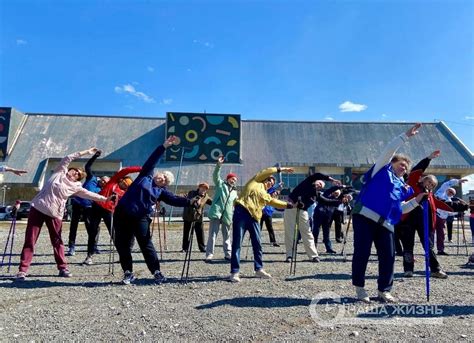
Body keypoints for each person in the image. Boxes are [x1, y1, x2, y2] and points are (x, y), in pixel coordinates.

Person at [351, 123, 427, 303]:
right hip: (364, 216)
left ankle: (384, 290)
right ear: (392, 162)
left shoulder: (403, 187)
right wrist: (405, 136)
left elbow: (402, 209)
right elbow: (389, 149)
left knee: (389, 255)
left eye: (406, 167)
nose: (404, 168)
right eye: (401, 164)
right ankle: (360, 288)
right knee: (362, 252)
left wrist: (417, 200)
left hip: (386, 223)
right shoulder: (381, 170)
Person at [16, 148, 113, 280]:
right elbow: (68, 157)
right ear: (70, 169)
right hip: (37, 208)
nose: (75, 174)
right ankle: (23, 270)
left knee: (57, 241)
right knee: (30, 240)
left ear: (78, 178)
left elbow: (89, 195)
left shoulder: (76, 187)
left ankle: (62, 268)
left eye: (78, 175)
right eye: (74, 171)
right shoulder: (59, 172)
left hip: (55, 214)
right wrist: (87, 152)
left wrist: (105, 199)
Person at [113, 136, 199, 285]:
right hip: (122, 214)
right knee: (123, 245)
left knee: (146, 244)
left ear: (165, 185)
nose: (162, 179)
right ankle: (128, 273)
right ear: (158, 173)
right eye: (163, 176)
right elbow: (152, 160)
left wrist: (190, 202)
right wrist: (164, 146)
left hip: (141, 217)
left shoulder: (161, 192)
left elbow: (175, 199)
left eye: (166, 180)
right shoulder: (145, 176)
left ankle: (156, 272)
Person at [229, 166, 294, 283]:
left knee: (257, 244)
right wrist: (282, 169)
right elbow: (268, 171)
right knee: (237, 243)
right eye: (269, 180)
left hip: (254, 217)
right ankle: (235, 271)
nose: (270, 183)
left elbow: (274, 202)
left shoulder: (266, 194)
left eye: (272, 183)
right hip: (241, 212)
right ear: (264, 179)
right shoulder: (256, 181)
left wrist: (289, 205)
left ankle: (259, 269)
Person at [83, 166, 140, 265]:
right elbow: (125, 170)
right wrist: (141, 169)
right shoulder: (113, 181)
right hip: (97, 206)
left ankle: (122, 255)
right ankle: (89, 256)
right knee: (93, 231)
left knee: (114, 233)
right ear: (122, 180)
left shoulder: (125, 193)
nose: (124, 185)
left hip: (108, 210)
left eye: (126, 185)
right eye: (124, 182)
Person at [284, 175, 340, 263]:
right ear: (316, 181)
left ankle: (313, 256)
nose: (319, 186)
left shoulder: (316, 195)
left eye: (321, 186)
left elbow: (325, 200)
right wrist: (331, 179)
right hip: (291, 208)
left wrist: (339, 201)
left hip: (303, 211)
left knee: (307, 233)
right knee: (290, 233)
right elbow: (316, 175)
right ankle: (289, 255)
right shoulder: (308, 182)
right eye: (319, 183)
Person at [66, 150, 108, 256]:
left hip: (89, 207)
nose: (103, 182)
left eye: (105, 182)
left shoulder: (102, 189)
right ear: (101, 178)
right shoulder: (91, 178)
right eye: (103, 180)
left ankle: (93, 246)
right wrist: (95, 156)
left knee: (92, 227)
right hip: (77, 204)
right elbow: (88, 166)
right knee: (73, 226)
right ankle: (71, 247)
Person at [205, 156, 238, 262]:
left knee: (227, 236)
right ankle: (209, 254)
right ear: (228, 179)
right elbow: (215, 176)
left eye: (235, 180)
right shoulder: (221, 185)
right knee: (212, 235)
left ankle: (228, 254)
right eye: (232, 179)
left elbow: (236, 203)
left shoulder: (235, 192)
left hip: (228, 215)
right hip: (216, 212)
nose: (234, 181)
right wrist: (218, 165)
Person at [434, 178, 468, 249]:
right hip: (434, 216)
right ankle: (429, 250)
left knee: (441, 235)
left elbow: (449, 213)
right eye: (450, 191)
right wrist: (458, 181)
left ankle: (440, 250)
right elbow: (446, 184)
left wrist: (457, 213)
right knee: (430, 234)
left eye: (452, 193)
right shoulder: (441, 192)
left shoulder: (450, 201)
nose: (451, 193)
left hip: (442, 219)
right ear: (447, 190)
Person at [182, 182, 212, 253]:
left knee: (200, 232)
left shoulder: (206, 197)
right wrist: (197, 199)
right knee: (186, 232)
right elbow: (190, 200)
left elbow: (213, 202)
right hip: (188, 215)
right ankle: (185, 248)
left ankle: (202, 248)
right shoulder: (192, 193)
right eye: (202, 188)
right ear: (199, 187)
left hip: (198, 217)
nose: (204, 190)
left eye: (205, 189)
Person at [312, 187, 343, 254]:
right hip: (318, 215)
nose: (336, 194)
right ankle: (313, 248)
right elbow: (330, 189)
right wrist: (340, 186)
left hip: (327, 218)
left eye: (337, 194)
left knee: (326, 233)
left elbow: (343, 199)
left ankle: (329, 248)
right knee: (315, 232)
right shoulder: (326, 195)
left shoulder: (337, 201)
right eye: (335, 193)